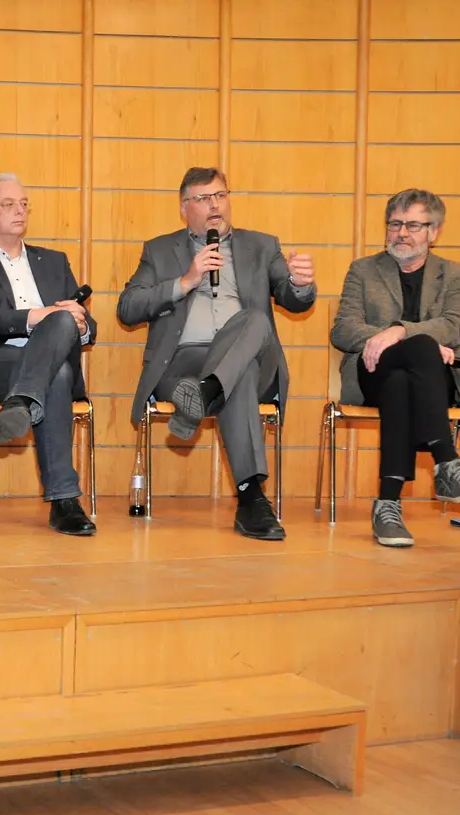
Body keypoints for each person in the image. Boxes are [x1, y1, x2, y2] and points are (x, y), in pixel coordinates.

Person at [118, 167, 316, 541]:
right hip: (182, 364)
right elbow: (128, 307)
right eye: (203, 198)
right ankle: (251, 499)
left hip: (252, 359)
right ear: (184, 207)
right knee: (234, 379)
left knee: (255, 319)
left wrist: (300, 283)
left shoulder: (262, 246)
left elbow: (293, 299)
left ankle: (205, 393)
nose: (214, 206)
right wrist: (185, 281)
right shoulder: (159, 250)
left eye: (220, 196)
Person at [331, 189, 460, 547]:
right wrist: (395, 339)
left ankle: (387, 503)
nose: (401, 233)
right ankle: (446, 462)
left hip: (423, 381)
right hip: (370, 372)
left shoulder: (458, 275)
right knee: (416, 350)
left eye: (413, 225)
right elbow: (343, 329)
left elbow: (456, 327)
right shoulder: (363, 270)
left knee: (402, 381)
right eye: (395, 224)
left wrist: (399, 331)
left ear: (433, 232)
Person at [0, 173, 96, 535]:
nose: (20, 211)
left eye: (24, 204)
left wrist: (80, 323)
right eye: (9, 204)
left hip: (46, 363)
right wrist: (34, 317)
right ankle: (63, 502)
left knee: (61, 335)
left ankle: (21, 402)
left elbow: (90, 325)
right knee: (55, 364)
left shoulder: (54, 261)